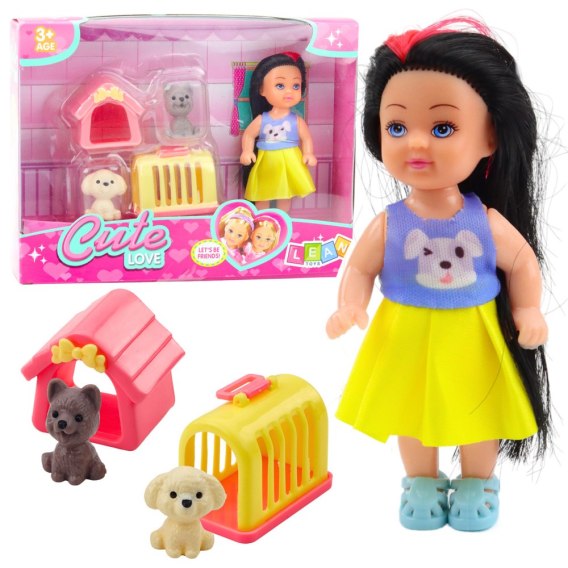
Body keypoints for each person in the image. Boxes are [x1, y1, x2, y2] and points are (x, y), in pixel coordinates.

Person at [326, 17, 551, 532]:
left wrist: (527, 309)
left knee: (478, 410)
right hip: (404, 331)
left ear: (490, 137)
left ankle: (477, 481)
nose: (416, 144)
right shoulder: (391, 223)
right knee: (411, 412)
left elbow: (521, 262)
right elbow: (359, 267)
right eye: (397, 128)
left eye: (443, 128)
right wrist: (350, 304)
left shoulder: (484, 221)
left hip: (471, 332)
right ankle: (421, 480)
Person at [240, 52, 316, 212]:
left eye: (295, 86)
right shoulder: (262, 119)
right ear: (262, 89)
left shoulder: (296, 120)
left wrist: (308, 153)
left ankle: (282, 219)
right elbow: (249, 134)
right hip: (267, 161)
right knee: (263, 194)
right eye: (280, 85)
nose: (289, 92)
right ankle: (261, 219)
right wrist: (247, 151)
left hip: (289, 161)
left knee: (284, 194)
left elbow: (306, 138)